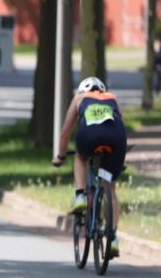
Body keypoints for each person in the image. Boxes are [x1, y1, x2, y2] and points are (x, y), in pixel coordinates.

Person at [51, 76, 127, 257]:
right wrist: (120, 158)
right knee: (110, 187)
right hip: (116, 139)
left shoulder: (79, 98)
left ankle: (80, 196)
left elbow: (66, 132)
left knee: (80, 157)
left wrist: (61, 156)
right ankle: (113, 238)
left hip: (89, 135)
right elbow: (120, 125)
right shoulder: (113, 98)